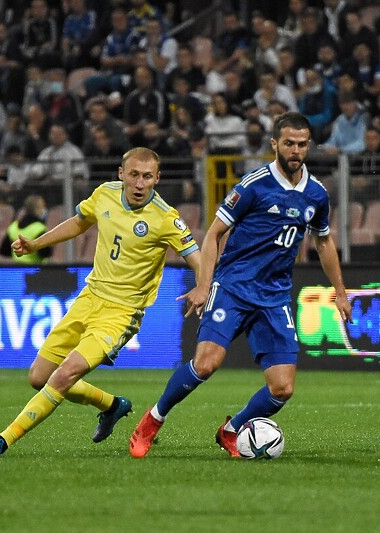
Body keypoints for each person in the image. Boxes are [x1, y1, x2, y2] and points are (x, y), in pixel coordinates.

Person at [128, 112, 351, 459]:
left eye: (302, 144)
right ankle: (152, 421)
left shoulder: (316, 195)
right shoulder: (253, 185)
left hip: (274, 297)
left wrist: (340, 291)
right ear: (275, 144)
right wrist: (204, 285)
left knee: (282, 388)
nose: (295, 150)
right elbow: (214, 233)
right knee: (205, 364)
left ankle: (231, 430)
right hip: (233, 286)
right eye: (289, 143)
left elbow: (323, 242)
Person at [0, 147, 201, 457]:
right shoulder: (105, 194)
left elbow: (196, 256)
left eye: (147, 177)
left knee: (66, 373)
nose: (139, 184)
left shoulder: (165, 218)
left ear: (157, 179)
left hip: (120, 313)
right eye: (134, 175)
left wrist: (202, 286)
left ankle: (4, 438)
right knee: (39, 377)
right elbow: (79, 222)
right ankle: (113, 406)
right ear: (121, 174)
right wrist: (36, 242)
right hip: (89, 298)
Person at [0, 195, 52, 264]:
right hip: (36, 269)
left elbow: (3, 251)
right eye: (42, 206)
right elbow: (45, 253)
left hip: (18, 268)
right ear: (37, 209)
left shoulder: (13, 227)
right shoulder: (39, 228)